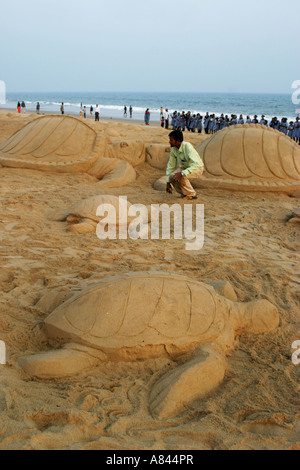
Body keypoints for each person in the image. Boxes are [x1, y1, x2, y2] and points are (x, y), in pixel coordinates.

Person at [166, 130, 204, 200]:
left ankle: (192, 194)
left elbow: (197, 164)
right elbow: (171, 166)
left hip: (197, 168)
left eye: (171, 140)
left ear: (178, 141)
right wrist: (168, 182)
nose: (169, 142)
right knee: (172, 177)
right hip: (185, 167)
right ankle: (184, 193)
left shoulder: (187, 147)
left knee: (182, 176)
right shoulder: (174, 149)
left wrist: (183, 173)